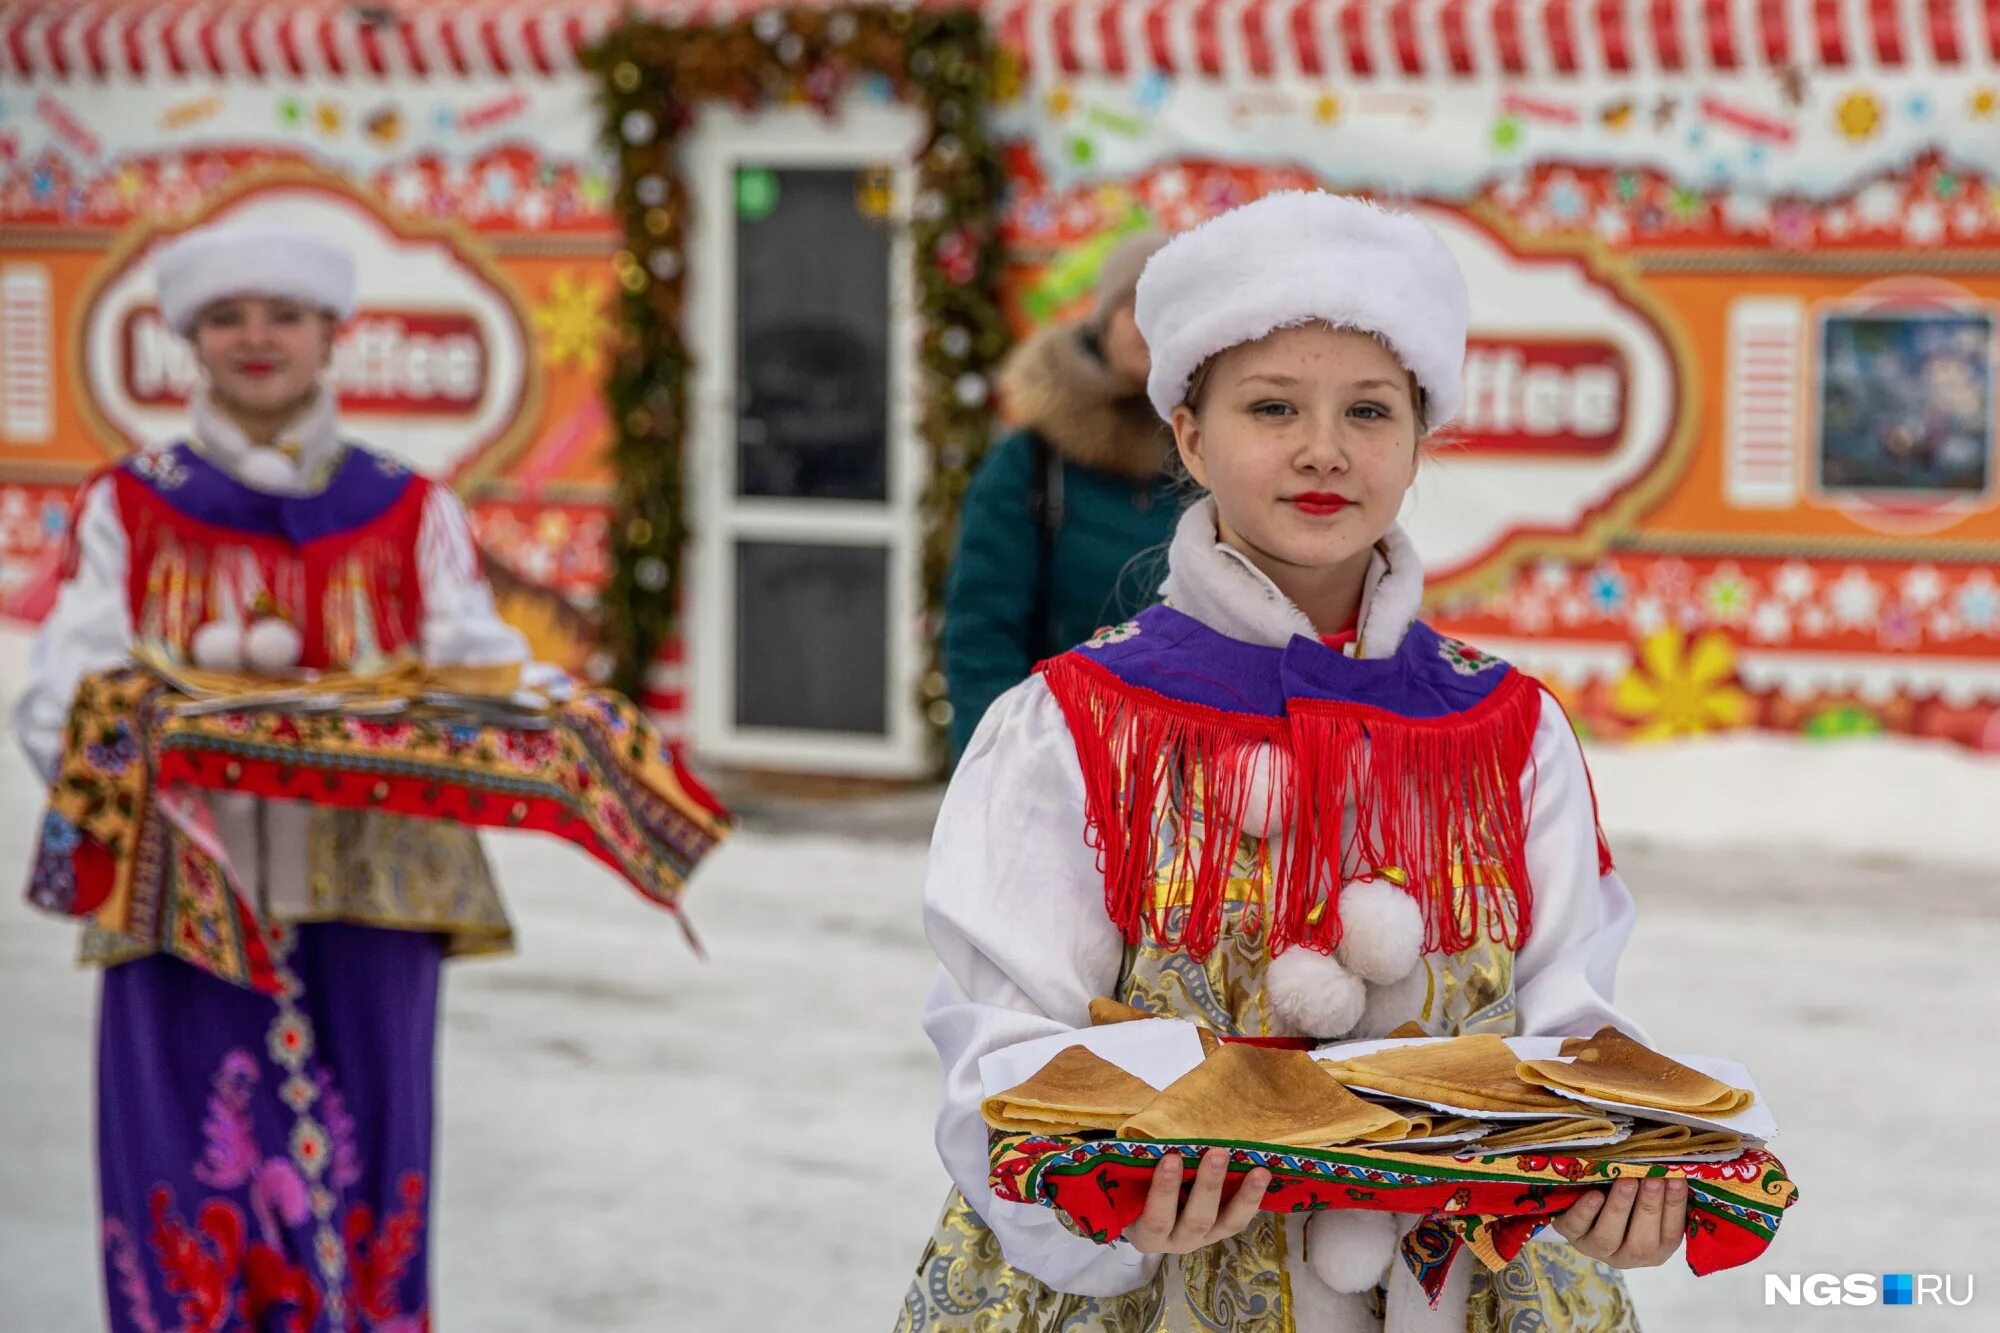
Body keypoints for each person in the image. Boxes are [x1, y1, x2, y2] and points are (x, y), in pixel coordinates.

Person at [898, 193, 1677, 1331]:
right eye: (1271, 406)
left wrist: (1612, 1170)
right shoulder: (1066, 725)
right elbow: (1003, 1048)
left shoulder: (1507, 729)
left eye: (1369, 409)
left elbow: (1565, 1018)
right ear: (1187, 433)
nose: (1323, 449)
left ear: (1419, 438)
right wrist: (1099, 1198)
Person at [14, 221, 530, 1330]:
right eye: (228, 318)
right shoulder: (131, 504)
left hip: (371, 890)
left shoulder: (409, 506)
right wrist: (162, 734)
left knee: (371, 1161)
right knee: (181, 1158)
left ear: (330, 335)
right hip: (182, 893)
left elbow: (475, 670)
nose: (257, 338)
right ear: (190, 340)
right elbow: (62, 691)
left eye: (282, 316)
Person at [943, 231, 1180, 762]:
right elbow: (982, 629)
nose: (1151, 325)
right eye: (1134, 305)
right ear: (1105, 318)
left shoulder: (1220, 454)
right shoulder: (1034, 459)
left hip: (1196, 766)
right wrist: (993, 763)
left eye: (1170, 307)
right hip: (1057, 759)